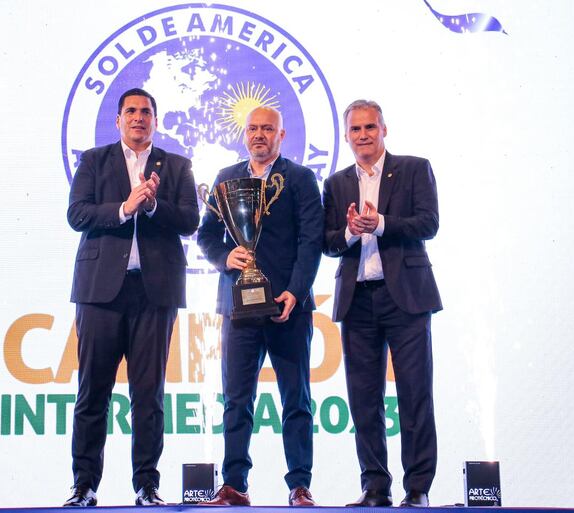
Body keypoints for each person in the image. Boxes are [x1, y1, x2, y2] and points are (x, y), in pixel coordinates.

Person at [64, 88, 200, 507]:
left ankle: (147, 485)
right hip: (100, 292)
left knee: (149, 395)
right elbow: (77, 214)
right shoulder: (94, 160)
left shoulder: (176, 166)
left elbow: (191, 220)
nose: (139, 118)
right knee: (93, 393)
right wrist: (125, 207)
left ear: (155, 121)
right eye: (131, 112)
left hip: (153, 292)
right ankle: (84, 486)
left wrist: (154, 205)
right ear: (118, 120)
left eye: (146, 112)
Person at [197, 106, 323, 507]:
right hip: (238, 309)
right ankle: (234, 485)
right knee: (236, 400)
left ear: (281, 135)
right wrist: (224, 258)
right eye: (253, 128)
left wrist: (296, 292)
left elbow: (310, 240)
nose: (259, 135)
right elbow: (206, 236)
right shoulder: (225, 179)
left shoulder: (300, 179)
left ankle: (300, 486)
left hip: (288, 308)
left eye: (268, 129)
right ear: (244, 133)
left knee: (296, 400)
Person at [322, 99, 442, 508]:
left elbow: (429, 223)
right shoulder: (336, 184)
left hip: (405, 297)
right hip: (358, 302)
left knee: (414, 394)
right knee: (363, 399)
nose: (363, 136)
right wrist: (353, 232)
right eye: (355, 130)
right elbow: (328, 242)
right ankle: (375, 486)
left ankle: (418, 488)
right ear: (346, 136)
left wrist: (383, 224)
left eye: (370, 127)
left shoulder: (413, 168)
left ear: (384, 129)